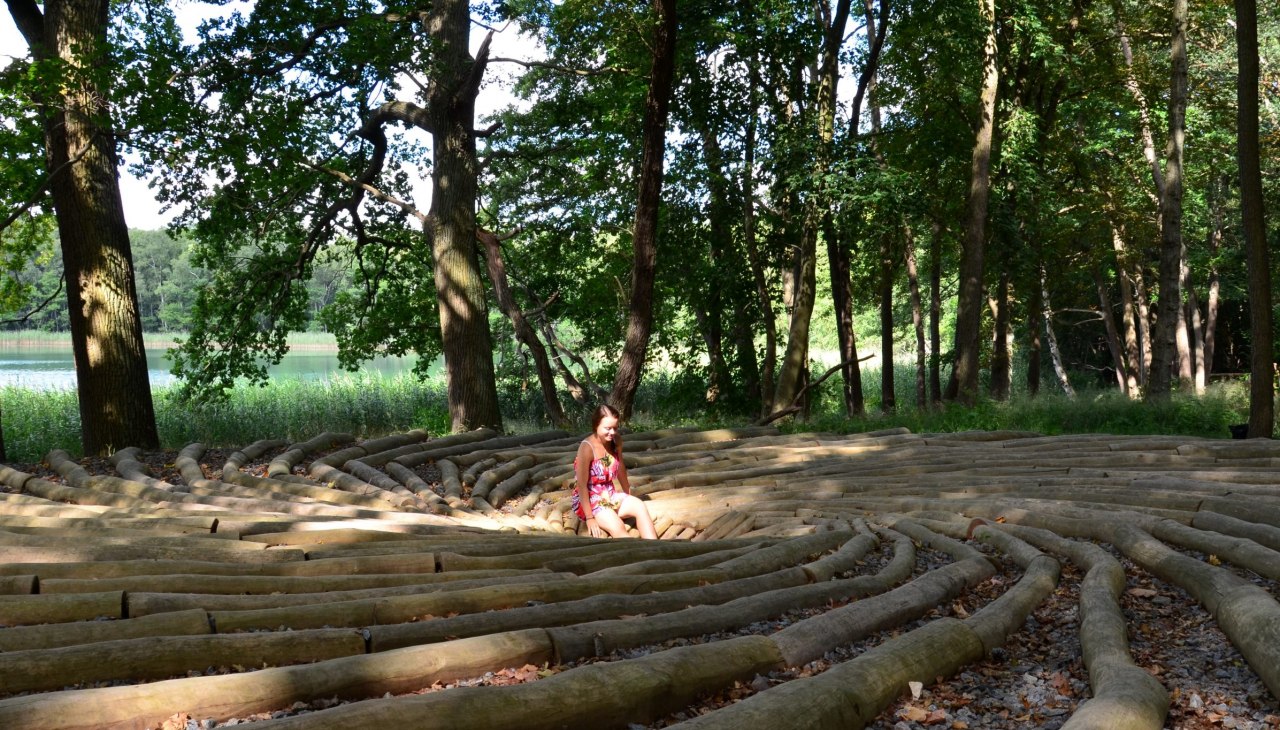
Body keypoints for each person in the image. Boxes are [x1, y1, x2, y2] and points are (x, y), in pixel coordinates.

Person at [573, 404, 658, 539]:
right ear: (596, 425)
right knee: (618, 526)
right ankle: (638, 555)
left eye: (615, 428)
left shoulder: (616, 440)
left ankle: (655, 548)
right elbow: (581, 485)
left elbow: (620, 468)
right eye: (608, 428)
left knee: (639, 506)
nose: (612, 432)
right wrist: (589, 518)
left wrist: (627, 494)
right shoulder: (586, 447)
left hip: (610, 493)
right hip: (591, 498)